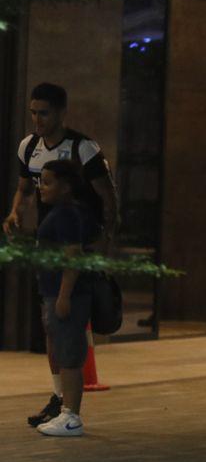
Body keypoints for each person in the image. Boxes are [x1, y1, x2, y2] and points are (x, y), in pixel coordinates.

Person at [2, 83, 119, 428]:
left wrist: (102, 246)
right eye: (33, 113)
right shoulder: (29, 147)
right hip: (49, 247)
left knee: (67, 326)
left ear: (62, 113)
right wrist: (15, 212)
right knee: (52, 328)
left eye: (44, 113)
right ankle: (59, 398)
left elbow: (109, 199)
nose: (37, 120)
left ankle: (70, 411)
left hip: (75, 246)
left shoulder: (83, 149)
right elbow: (24, 189)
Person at [32, 161, 101, 436]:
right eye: (41, 181)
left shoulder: (68, 214)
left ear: (66, 186)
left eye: (48, 182)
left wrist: (64, 296)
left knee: (70, 354)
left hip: (66, 295)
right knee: (63, 351)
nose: (41, 187)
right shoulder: (60, 213)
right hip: (52, 292)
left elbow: (73, 258)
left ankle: (72, 416)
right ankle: (66, 411)